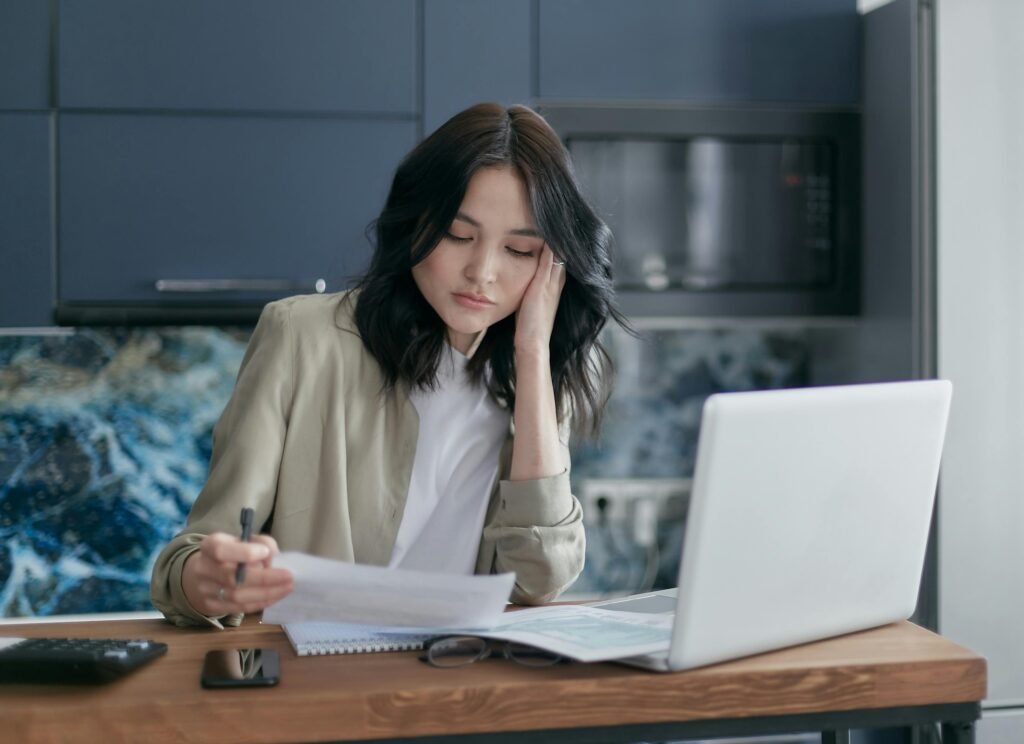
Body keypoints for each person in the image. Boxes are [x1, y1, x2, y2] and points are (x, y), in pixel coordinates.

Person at [150, 102, 623, 628]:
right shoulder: (303, 338)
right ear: (415, 222)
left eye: (518, 249)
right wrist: (209, 579)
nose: (482, 272)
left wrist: (534, 352)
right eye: (458, 236)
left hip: (462, 685)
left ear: (551, 265)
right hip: (321, 686)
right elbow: (188, 559)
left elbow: (540, 580)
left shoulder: (530, 379)